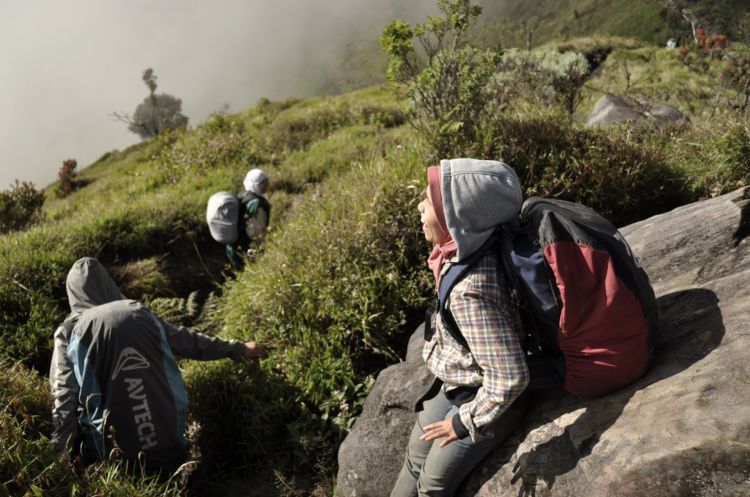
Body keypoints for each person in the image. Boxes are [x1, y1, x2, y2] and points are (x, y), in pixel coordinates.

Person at [390, 159, 531, 497]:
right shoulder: (472, 248)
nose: (420, 207)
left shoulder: (470, 291)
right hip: (460, 380)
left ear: (456, 217)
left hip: (489, 398)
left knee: (431, 484)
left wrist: (463, 421)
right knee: (415, 456)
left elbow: (511, 377)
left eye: (428, 201)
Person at [49, 257, 265, 472]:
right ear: (108, 283)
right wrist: (239, 348)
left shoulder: (69, 331)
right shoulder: (138, 312)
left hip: (115, 457)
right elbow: (190, 342)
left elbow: (64, 397)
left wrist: (61, 452)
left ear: (73, 293)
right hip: (171, 441)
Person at [227, 168, 271, 268]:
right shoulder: (258, 203)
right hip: (247, 247)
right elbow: (257, 231)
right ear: (255, 185)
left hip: (233, 246)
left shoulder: (241, 196)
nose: (266, 186)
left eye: (266, 182)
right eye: (262, 183)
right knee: (250, 270)